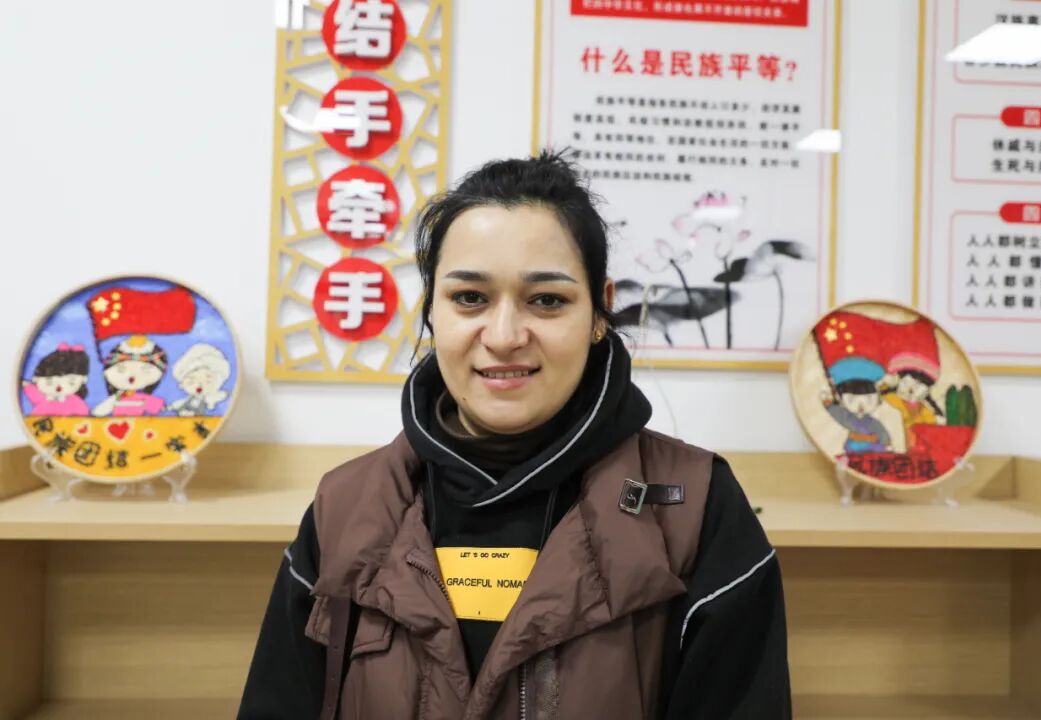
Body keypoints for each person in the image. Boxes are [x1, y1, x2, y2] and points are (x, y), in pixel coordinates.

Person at [239, 152, 790, 720]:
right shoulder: (345, 506)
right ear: (432, 311)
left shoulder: (696, 507)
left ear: (600, 312)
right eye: (470, 298)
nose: (503, 336)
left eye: (547, 300)